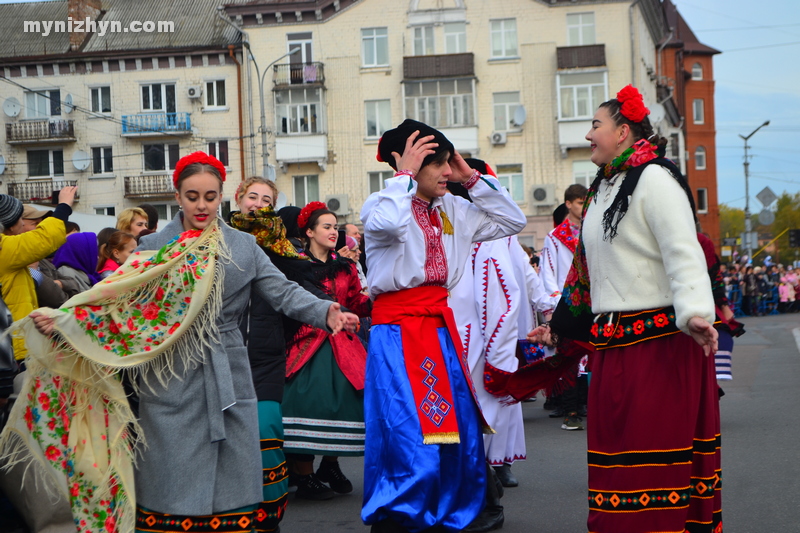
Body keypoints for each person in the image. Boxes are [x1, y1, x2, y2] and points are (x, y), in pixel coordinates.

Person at [0, 152, 357, 533]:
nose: (201, 205)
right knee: (170, 485)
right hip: (168, 376)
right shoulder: (154, 245)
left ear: (221, 195)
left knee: (232, 489)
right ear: (177, 195)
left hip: (229, 376)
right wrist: (66, 322)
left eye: (209, 196)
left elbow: (283, 292)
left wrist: (325, 312)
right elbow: (117, 301)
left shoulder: (242, 246)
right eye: (192, 196)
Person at [530, 85, 721, 533]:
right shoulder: (604, 186)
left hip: (658, 346)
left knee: (655, 460)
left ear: (623, 130)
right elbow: (586, 270)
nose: (588, 133)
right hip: (614, 345)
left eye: (596, 124)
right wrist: (558, 327)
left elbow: (683, 250)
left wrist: (696, 311)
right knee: (616, 464)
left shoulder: (656, 177)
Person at [360, 119, 526, 533]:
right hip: (398, 331)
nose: (447, 172)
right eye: (437, 163)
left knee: (455, 426)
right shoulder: (382, 203)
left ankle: (456, 503)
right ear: (411, 165)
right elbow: (389, 227)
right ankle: (401, 513)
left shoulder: (453, 207)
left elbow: (512, 222)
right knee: (408, 427)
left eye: (448, 163)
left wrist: (471, 175)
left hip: (438, 328)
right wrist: (403, 177)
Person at [228, 176, 320, 531]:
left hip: (267, 359)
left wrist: (329, 310)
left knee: (268, 441)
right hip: (226, 359)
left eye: (267, 199)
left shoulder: (284, 250)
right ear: (238, 198)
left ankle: (270, 521)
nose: (258, 204)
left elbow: (303, 289)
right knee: (232, 448)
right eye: (252, 196)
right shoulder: (216, 242)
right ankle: (236, 517)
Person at [281, 202, 372, 500]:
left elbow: (358, 302)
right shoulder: (295, 265)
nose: (334, 232)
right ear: (308, 232)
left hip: (345, 341)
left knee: (351, 399)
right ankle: (304, 474)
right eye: (327, 227)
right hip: (309, 340)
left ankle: (329, 465)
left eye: (336, 227)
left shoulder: (346, 266)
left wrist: (377, 297)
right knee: (307, 401)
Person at [0, 189, 77, 362]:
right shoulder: (4, 249)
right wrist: (64, 205)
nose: (22, 225)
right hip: (12, 350)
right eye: (21, 219)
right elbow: (47, 237)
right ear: (10, 226)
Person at [540, 184, 589, 430]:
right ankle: (569, 409)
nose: (584, 207)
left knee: (588, 355)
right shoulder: (554, 238)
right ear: (569, 204)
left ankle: (583, 404)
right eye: (580, 203)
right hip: (567, 302)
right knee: (569, 356)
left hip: (591, 302)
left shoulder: (593, 231)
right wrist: (557, 301)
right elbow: (547, 272)